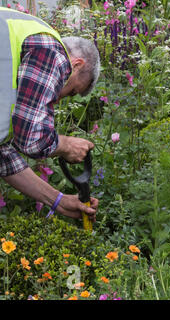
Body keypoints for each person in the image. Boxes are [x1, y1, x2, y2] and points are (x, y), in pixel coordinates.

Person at [0, 7, 100, 222]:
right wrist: (65, 145)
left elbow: (2, 157)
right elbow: (31, 140)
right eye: (71, 91)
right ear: (76, 64)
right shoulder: (52, 51)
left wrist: (59, 200)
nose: (59, 98)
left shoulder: (22, 37)